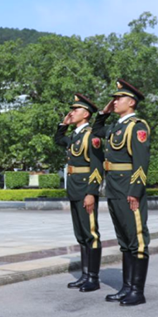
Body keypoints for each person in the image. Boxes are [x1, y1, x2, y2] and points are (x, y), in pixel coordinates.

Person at [92, 79, 151, 306]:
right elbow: (97, 131)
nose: (114, 102)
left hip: (128, 188)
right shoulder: (117, 127)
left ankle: (137, 291)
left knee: (137, 239)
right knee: (124, 240)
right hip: (114, 188)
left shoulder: (137, 127)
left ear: (131, 101)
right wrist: (103, 113)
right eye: (114, 98)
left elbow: (141, 163)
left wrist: (135, 191)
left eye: (118, 98)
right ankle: (126, 288)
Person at [54, 94, 104, 292]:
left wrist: (92, 192)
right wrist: (63, 124)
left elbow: (97, 166)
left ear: (86, 114)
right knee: (81, 235)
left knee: (91, 234)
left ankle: (93, 277)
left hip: (85, 190)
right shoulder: (75, 135)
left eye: (75, 110)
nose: (71, 113)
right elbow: (58, 140)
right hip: (75, 189)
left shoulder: (92, 136)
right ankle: (85, 275)